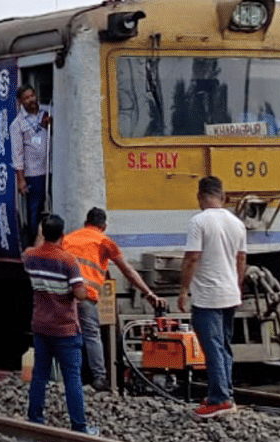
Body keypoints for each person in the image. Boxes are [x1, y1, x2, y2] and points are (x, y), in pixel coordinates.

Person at [62, 207, 164, 391]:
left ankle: (62, 377)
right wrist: (148, 293)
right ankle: (99, 378)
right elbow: (128, 271)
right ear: (104, 226)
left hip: (62, 295)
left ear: (86, 223)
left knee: (64, 334)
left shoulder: (68, 238)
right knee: (92, 335)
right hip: (85, 296)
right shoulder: (105, 241)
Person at [178, 176, 247, 419]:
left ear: (200, 196)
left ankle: (220, 400)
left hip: (207, 296)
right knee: (225, 346)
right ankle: (226, 394)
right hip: (230, 294)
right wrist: (236, 285)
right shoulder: (237, 223)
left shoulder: (199, 221)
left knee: (212, 348)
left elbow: (192, 258)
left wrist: (183, 289)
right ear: (223, 196)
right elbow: (241, 259)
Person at [24, 214, 97, 435]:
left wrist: (40, 235)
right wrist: (90, 293)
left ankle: (35, 418)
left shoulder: (30, 256)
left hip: (41, 327)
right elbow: (79, 293)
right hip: (65, 329)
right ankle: (79, 426)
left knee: (40, 376)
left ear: (43, 233)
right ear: (63, 236)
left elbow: (36, 248)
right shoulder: (68, 261)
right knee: (72, 378)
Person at [11, 85, 52, 247]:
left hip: (52, 170)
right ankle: (36, 246)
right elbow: (17, 154)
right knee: (34, 211)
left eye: (32, 96)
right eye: (26, 98)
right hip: (33, 174)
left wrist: (51, 124)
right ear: (21, 102)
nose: (31, 100)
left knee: (52, 208)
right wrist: (21, 180)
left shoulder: (48, 111)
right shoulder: (17, 124)